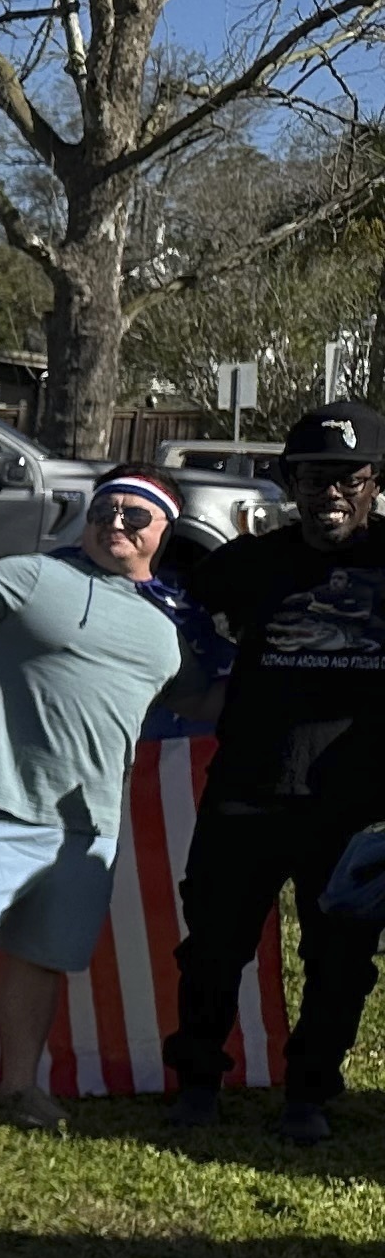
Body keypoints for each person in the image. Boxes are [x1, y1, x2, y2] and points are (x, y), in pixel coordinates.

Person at [0, 467, 189, 1131]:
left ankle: (18, 1086)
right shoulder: (31, 577)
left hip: (88, 830)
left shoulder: (168, 630)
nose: (115, 523)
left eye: (136, 517)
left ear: (164, 532)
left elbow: (192, 706)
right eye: (105, 510)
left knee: (41, 960)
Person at [160, 401, 385, 1141]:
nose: (331, 495)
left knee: (341, 957)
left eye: (348, 479)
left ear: (374, 483)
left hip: (353, 805)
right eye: (314, 478)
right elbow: (167, 620)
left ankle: (310, 1093)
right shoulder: (246, 565)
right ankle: (197, 1080)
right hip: (248, 789)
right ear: (291, 483)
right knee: (214, 946)